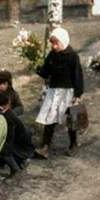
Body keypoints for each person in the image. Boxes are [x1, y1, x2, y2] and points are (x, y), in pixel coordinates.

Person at [34, 27, 84, 158]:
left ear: (64, 41)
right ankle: (45, 146)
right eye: (52, 43)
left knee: (71, 119)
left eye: (57, 43)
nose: (54, 46)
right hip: (54, 91)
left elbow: (78, 76)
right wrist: (38, 69)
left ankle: (73, 143)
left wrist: (77, 94)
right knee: (49, 118)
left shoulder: (72, 56)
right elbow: (46, 72)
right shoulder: (52, 55)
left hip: (68, 92)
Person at [0, 91, 35, 176]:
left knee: (0, 147)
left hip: (20, 148)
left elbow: (9, 141)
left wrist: (7, 157)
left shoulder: (8, 119)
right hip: (17, 144)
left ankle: (16, 167)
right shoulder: (4, 114)